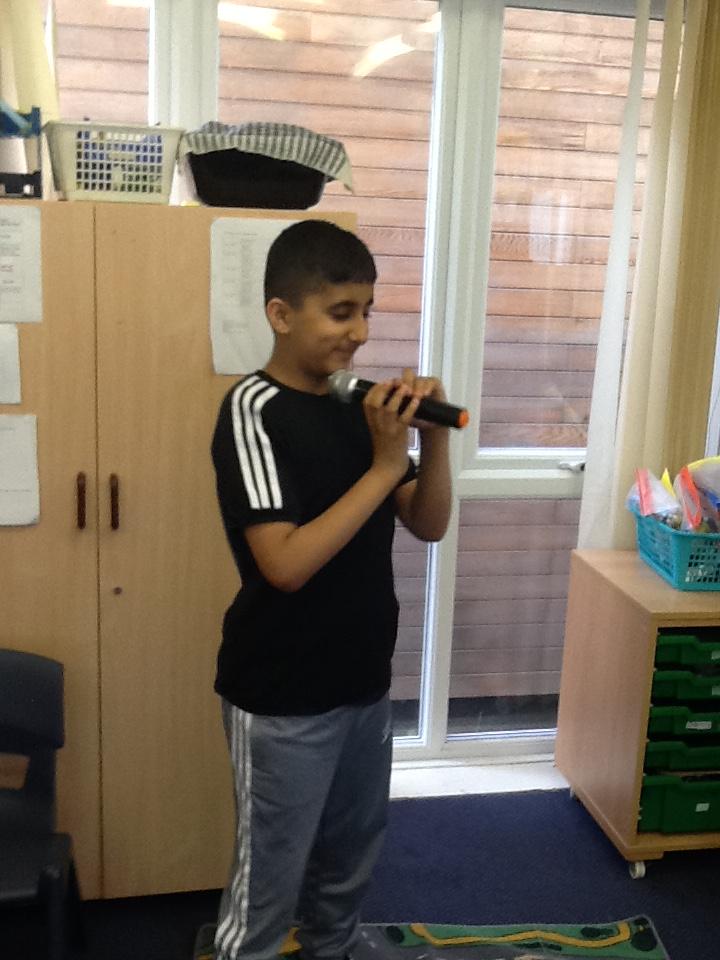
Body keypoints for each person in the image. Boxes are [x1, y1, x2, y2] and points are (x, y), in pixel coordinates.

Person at [210, 219, 452, 960]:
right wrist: (384, 467)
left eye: (367, 311)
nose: (360, 332)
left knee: (349, 858)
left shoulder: (358, 408)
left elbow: (429, 523)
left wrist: (433, 441)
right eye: (341, 312)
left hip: (362, 682)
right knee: (269, 882)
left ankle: (333, 948)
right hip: (282, 695)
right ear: (281, 314)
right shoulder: (253, 410)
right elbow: (284, 565)